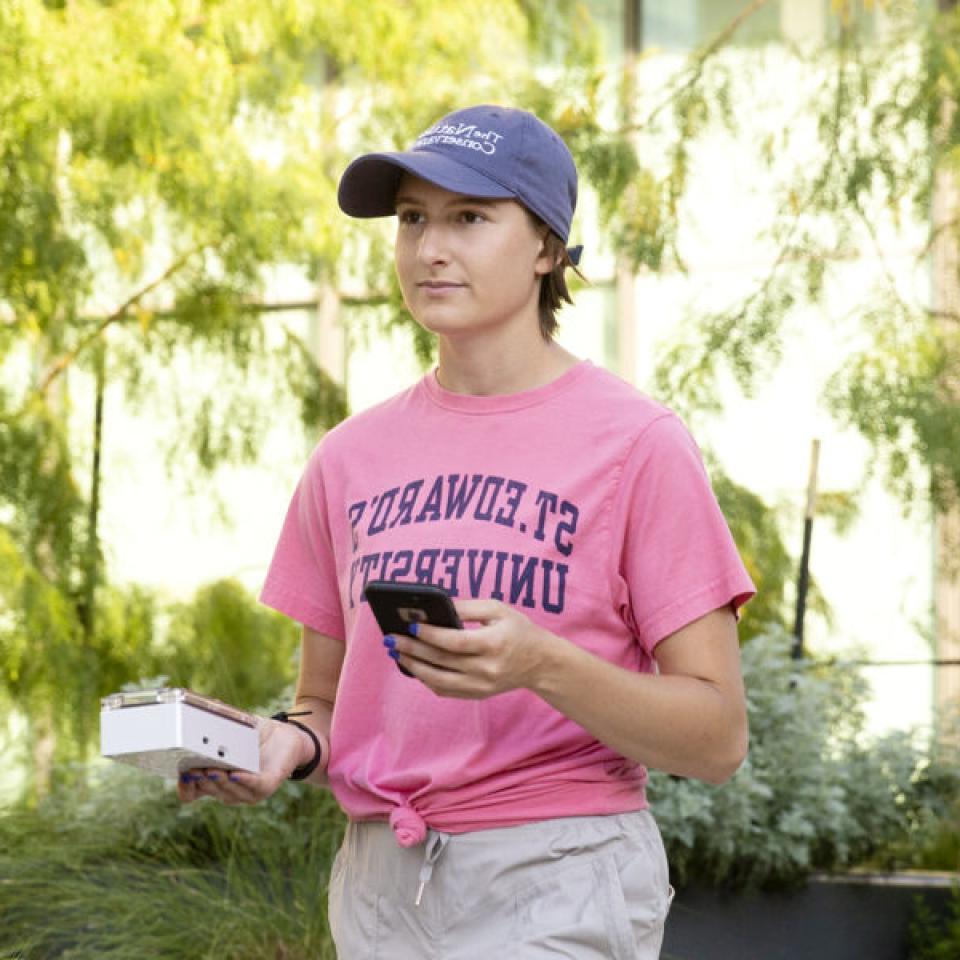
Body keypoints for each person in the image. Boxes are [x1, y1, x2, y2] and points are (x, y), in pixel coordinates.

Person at [179, 103, 755, 959]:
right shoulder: (348, 458)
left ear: (548, 249)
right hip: (378, 889)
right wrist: (285, 743)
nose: (429, 249)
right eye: (412, 219)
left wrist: (542, 663)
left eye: (470, 217)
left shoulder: (637, 445)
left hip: (556, 874)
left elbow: (716, 739)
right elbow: (325, 702)